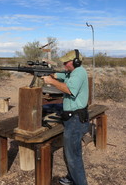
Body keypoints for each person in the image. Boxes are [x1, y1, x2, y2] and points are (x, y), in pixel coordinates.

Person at [43, 49, 89, 185]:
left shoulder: (79, 72)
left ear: (75, 62)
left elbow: (69, 90)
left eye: (66, 62)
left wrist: (50, 81)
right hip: (72, 117)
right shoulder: (71, 73)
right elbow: (58, 75)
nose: (64, 65)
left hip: (75, 120)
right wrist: (47, 73)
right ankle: (71, 177)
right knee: (70, 153)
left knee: (73, 156)